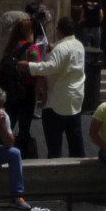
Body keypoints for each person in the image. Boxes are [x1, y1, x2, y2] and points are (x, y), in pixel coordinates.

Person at [25, 15, 85, 158]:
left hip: (57, 101)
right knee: (76, 143)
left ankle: (55, 166)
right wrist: (54, 48)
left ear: (59, 30)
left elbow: (51, 67)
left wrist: (30, 66)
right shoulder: (79, 45)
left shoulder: (61, 48)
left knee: (54, 146)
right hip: (75, 99)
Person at [0, 16, 43, 159]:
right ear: (29, 32)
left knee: (9, 122)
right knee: (25, 126)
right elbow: (37, 69)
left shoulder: (11, 47)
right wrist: (42, 90)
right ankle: (23, 154)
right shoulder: (32, 48)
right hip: (27, 90)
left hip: (11, 91)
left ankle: (1, 151)